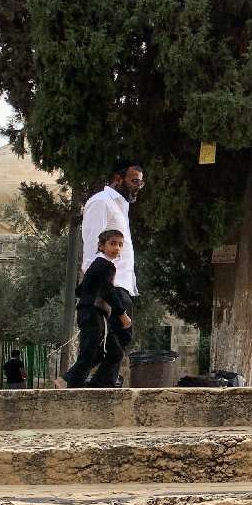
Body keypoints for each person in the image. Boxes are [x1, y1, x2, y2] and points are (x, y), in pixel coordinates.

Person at [80, 160, 144, 372]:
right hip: (109, 281)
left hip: (122, 281)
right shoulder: (101, 202)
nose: (137, 186)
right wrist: (95, 283)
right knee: (117, 336)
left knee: (117, 337)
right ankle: (82, 376)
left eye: (140, 183)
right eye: (134, 181)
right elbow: (93, 244)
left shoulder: (121, 205)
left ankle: (92, 379)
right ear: (118, 178)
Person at [55, 230, 133, 388]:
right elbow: (108, 291)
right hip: (92, 314)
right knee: (89, 354)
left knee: (115, 353)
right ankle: (71, 386)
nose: (117, 248)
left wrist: (90, 291)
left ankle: (98, 386)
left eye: (120, 245)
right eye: (112, 244)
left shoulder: (97, 265)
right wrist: (122, 313)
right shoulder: (105, 265)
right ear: (101, 245)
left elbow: (79, 290)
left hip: (97, 315)